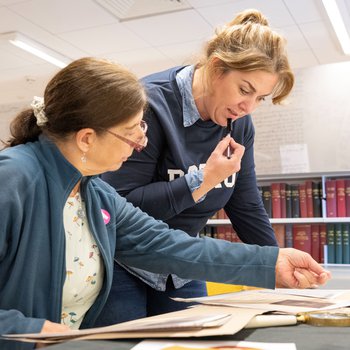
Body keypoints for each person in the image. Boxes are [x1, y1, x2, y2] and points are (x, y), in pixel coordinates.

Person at [0, 57, 330, 346]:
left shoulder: (93, 191)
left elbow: (166, 246)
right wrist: (30, 330)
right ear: (87, 138)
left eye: (141, 126)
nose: (141, 142)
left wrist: (270, 263)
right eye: (130, 132)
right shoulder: (13, 179)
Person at [96, 8, 298, 326]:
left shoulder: (239, 122)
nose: (248, 107)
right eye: (245, 90)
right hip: (123, 261)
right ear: (216, 68)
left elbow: (244, 203)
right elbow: (119, 207)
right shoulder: (148, 105)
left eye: (260, 97)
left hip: (183, 262)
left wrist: (276, 263)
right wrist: (203, 180)